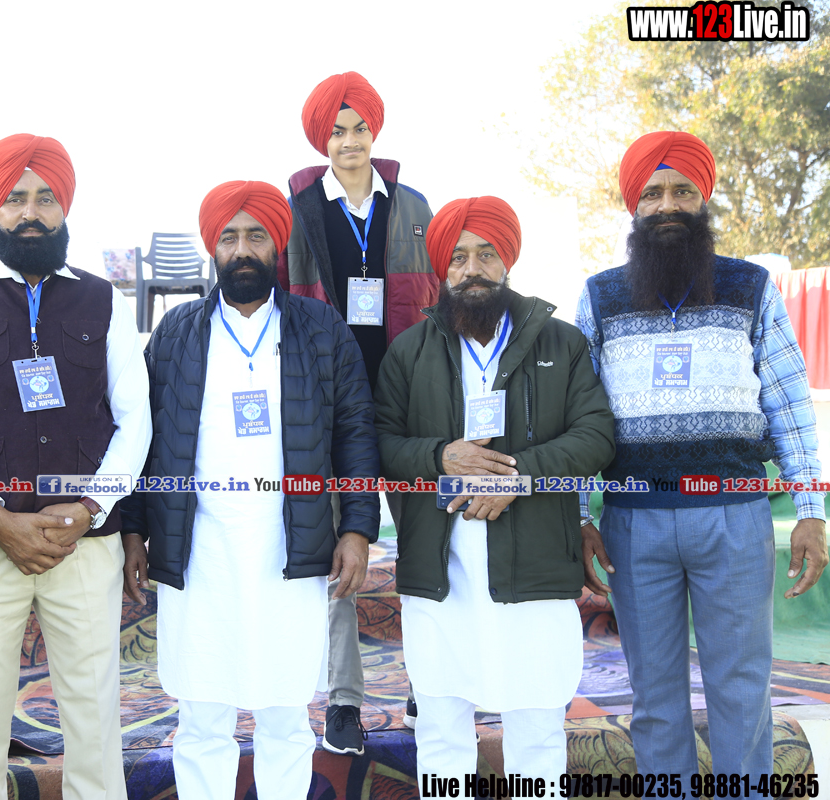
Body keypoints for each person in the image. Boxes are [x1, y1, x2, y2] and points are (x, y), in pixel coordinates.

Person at [577, 130, 827, 780]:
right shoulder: (599, 297)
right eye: (653, 193)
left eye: (682, 190)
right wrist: (579, 513)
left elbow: (789, 401)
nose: (667, 205)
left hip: (734, 518)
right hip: (634, 523)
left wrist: (810, 509)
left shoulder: (751, 287)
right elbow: (578, 414)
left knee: (741, 692)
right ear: (634, 206)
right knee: (655, 698)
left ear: (703, 199)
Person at [0, 133, 150, 800]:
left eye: (45, 198)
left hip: (86, 542)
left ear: (65, 207)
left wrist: (90, 508)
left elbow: (135, 419)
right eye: (15, 198)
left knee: (94, 714)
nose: (31, 213)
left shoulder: (104, 299)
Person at [120, 180, 380, 797]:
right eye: (229, 237)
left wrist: (357, 528)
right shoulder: (176, 332)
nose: (242, 250)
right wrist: (132, 530)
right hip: (198, 548)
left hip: (290, 546)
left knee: (285, 713)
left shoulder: (320, 327)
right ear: (213, 248)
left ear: (276, 246)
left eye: (256, 236)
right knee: (202, 712)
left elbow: (355, 433)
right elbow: (140, 438)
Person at [374, 196, 616, 781]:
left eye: (486, 254)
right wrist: (440, 456)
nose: (472, 269)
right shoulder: (408, 350)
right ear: (442, 268)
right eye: (458, 258)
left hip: (535, 565)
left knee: (536, 730)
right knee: (441, 731)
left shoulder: (561, 343)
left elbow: (596, 436)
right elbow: (380, 443)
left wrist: (520, 477)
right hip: (440, 570)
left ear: (507, 260)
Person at [280, 69, 440, 751]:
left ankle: (428, 684)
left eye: (360, 128)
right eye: (337, 131)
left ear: (375, 131)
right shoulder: (297, 210)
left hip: (407, 400)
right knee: (337, 552)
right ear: (322, 139)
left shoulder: (412, 205)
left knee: (426, 545)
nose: (350, 141)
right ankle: (343, 701)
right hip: (329, 402)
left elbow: (439, 300)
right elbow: (283, 304)